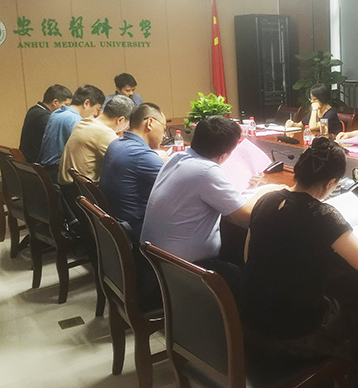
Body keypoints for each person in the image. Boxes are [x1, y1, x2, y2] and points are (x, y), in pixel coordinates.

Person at [239, 136, 358, 360]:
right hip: (293, 333)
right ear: (331, 183)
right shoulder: (322, 214)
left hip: (249, 325)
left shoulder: (266, 200)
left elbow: (247, 257)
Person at [140, 115, 282, 291]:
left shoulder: (178, 157)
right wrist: (269, 190)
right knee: (245, 273)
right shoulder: (206, 171)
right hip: (178, 270)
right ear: (224, 156)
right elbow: (244, 215)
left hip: (154, 259)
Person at [100, 102, 167, 241]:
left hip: (118, 226)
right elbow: (178, 190)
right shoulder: (143, 156)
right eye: (163, 128)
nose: (165, 134)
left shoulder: (116, 144)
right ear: (150, 123)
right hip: (139, 230)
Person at [37, 84, 105, 182]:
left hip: (46, 171)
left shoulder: (57, 113)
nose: (95, 114)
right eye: (97, 109)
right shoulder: (75, 120)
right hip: (57, 173)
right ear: (86, 103)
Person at [19, 84, 73, 163]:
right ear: (55, 102)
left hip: (27, 163)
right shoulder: (45, 117)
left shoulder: (34, 110)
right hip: (36, 165)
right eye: (66, 105)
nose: (67, 109)